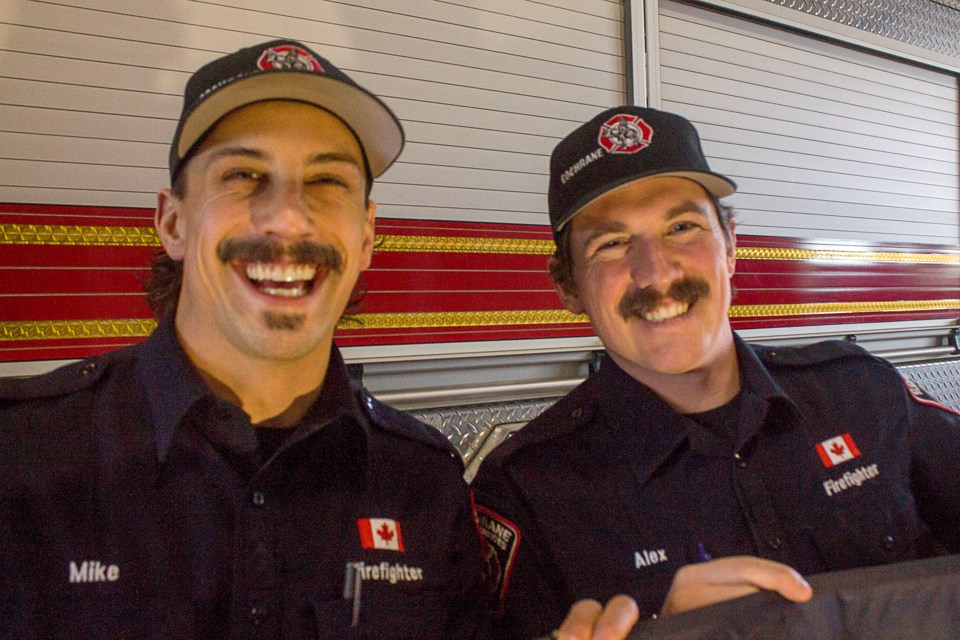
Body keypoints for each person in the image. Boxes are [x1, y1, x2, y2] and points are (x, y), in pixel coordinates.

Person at [0, 39, 490, 639]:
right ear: (173, 222)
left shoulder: (426, 483)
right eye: (242, 174)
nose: (287, 217)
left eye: (327, 180)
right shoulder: (21, 456)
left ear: (366, 239)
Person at [470, 105, 960, 639]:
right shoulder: (527, 489)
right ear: (567, 287)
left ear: (730, 245)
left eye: (682, 227)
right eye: (611, 244)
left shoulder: (863, 392)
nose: (656, 273)